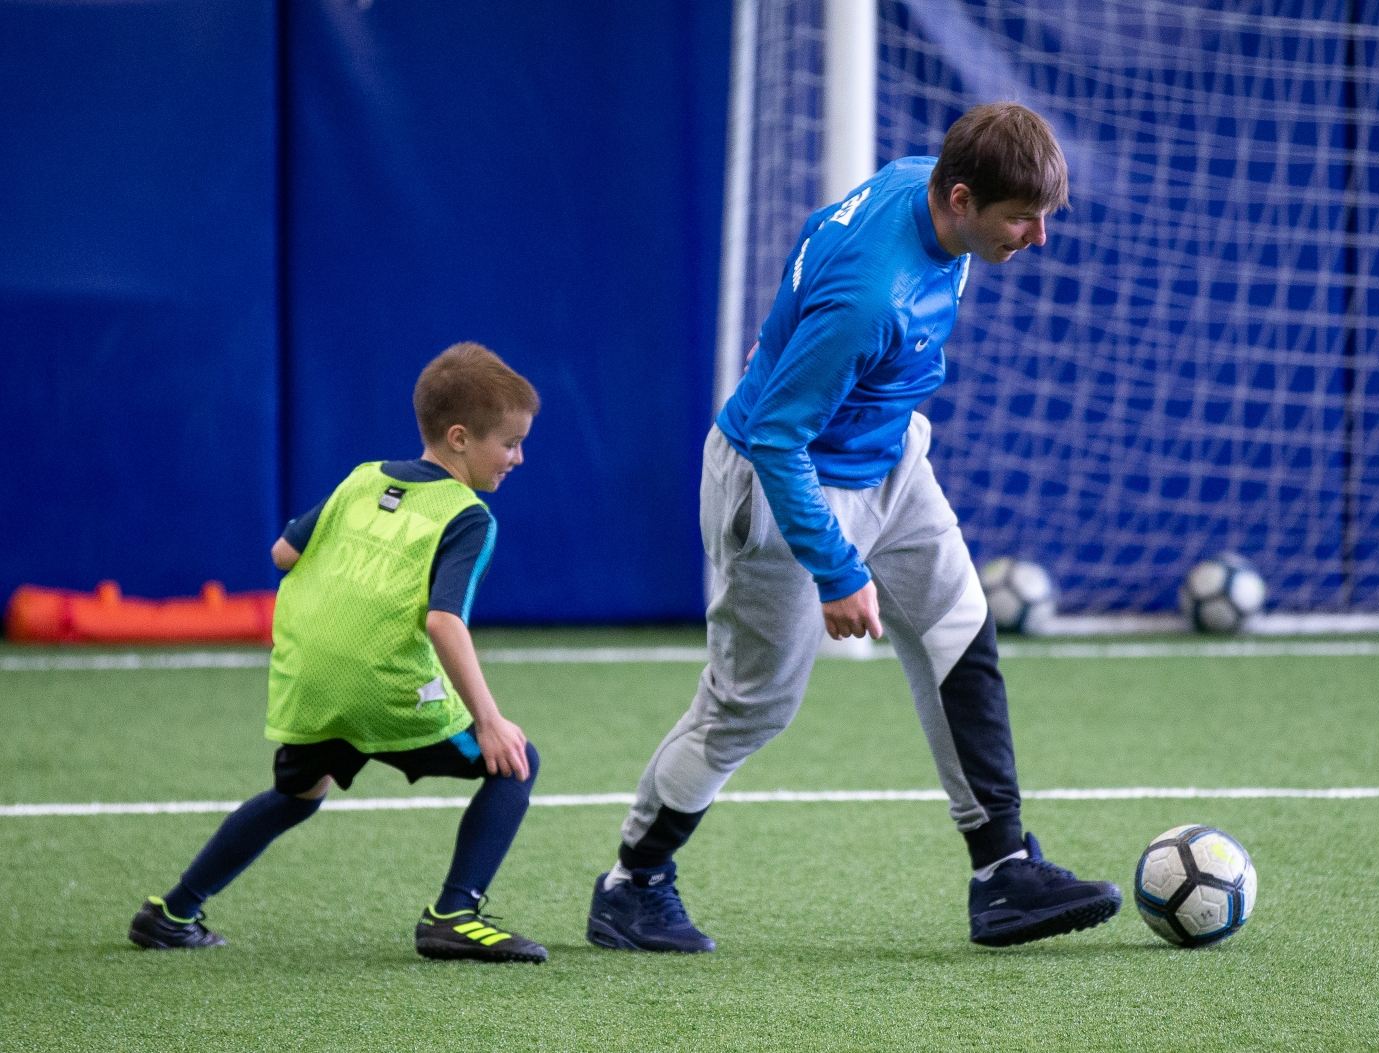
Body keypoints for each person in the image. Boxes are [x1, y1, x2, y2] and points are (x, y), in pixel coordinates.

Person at [586, 103, 1121, 953]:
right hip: (783, 482)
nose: (1038, 236)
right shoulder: (868, 296)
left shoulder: (927, 185)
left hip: (886, 452)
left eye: (1044, 215)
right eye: (1023, 218)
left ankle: (1002, 868)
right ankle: (632, 884)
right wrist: (837, 569)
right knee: (749, 707)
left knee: (959, 624)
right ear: (958, 196)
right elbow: (775, 435)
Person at [129, 342, 548, 963]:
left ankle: (173, 911)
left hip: (313, 684)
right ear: (459, 438)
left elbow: (283, 555)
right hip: (390, 694)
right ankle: (455, 914)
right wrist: (488, 719)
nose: (518, 457)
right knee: (516, 761)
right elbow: (443, 621)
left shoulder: (363, 478)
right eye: (509, 443)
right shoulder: (468, 516)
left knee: (296, 795)